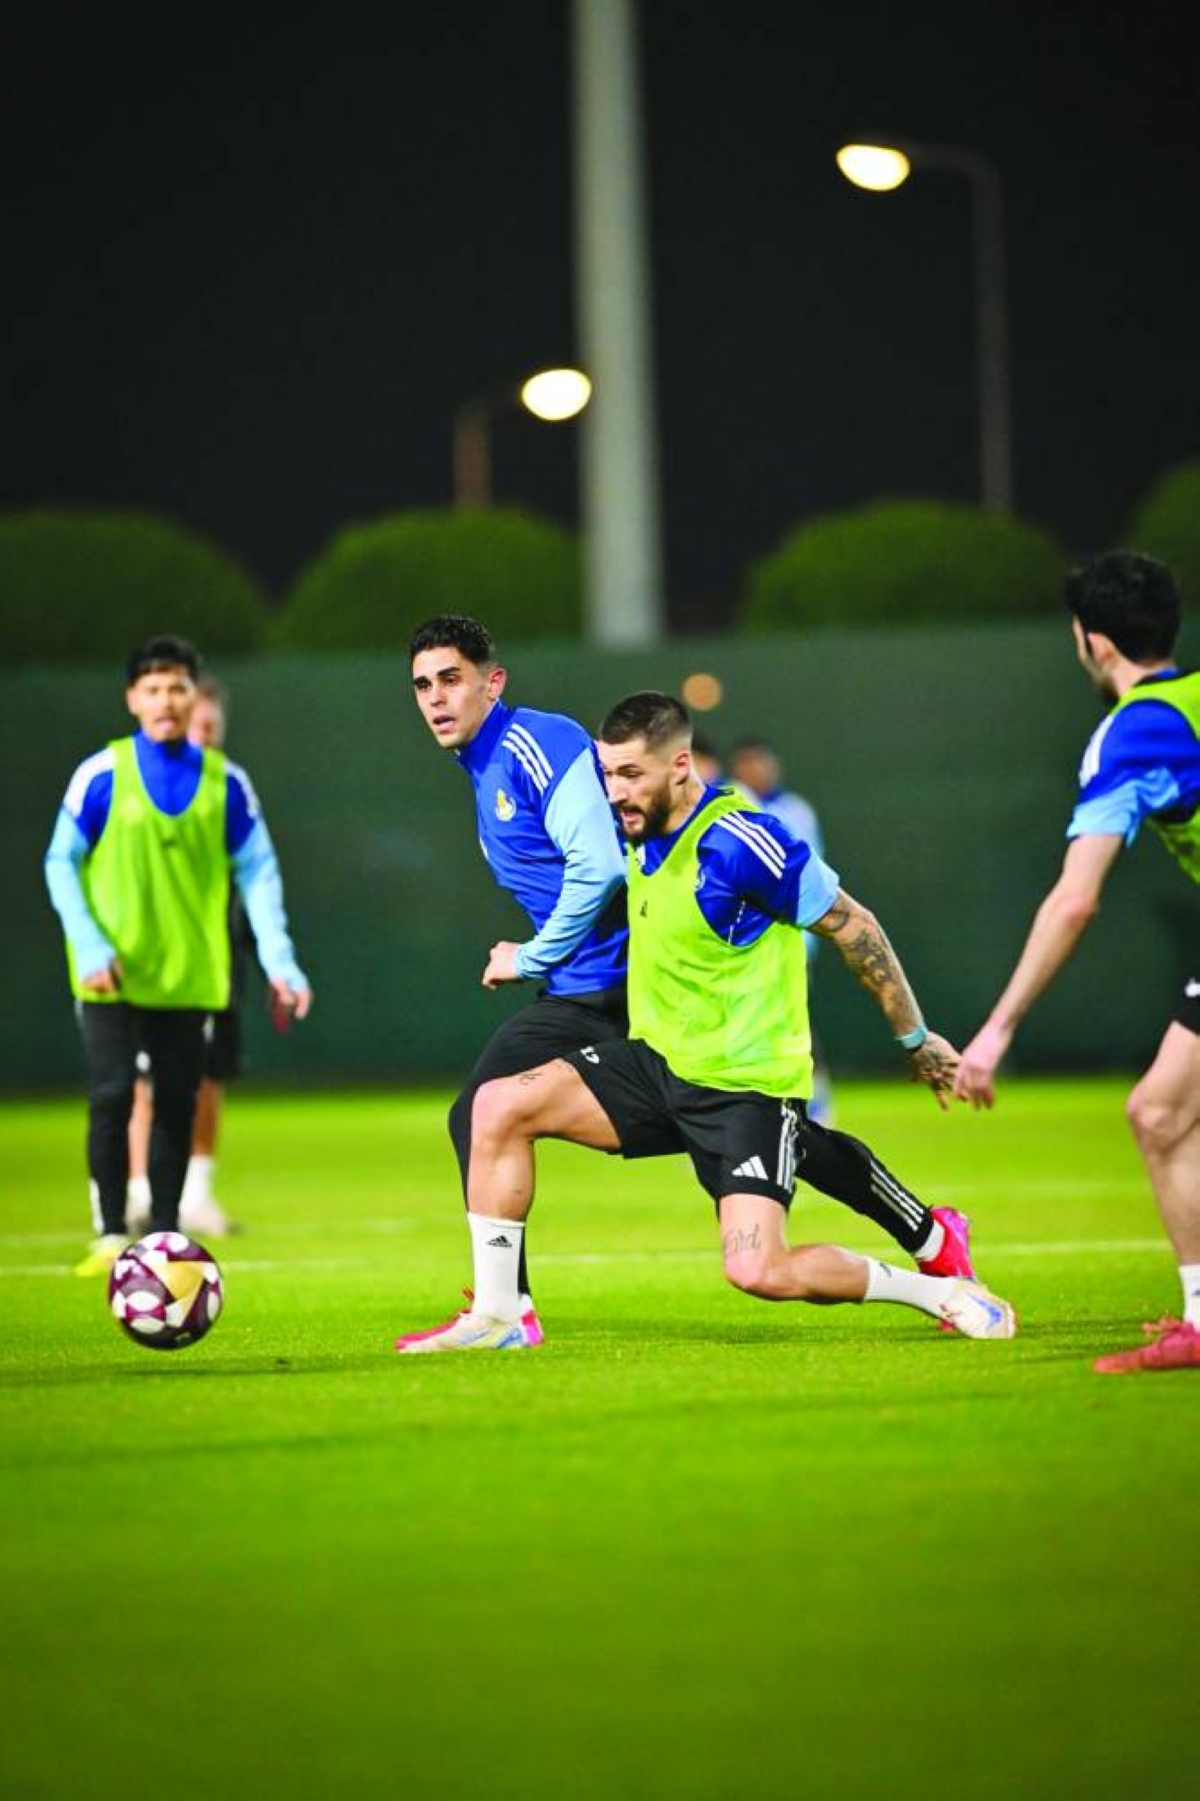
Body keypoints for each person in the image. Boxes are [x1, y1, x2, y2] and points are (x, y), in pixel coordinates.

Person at [397, 690, 1014, 1352]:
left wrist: (916, 1040)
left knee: (757, 1268)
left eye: (631, 774)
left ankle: (943, 1290)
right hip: (658, 1066)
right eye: (606, 774)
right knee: (493, 1106)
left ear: (681, 765)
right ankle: (500, 1315)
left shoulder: (741, 840)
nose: (615, 792)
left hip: (743, 1090)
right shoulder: (638, 832)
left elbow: (855, 926)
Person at [955, 550, 1199, 1373]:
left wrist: (995, 1030)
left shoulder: (1133, 731)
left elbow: (1075, 897)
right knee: (1161, 1114)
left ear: (1092, 642)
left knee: (1162, 1115)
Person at [44, 635, 312, 1277]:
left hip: (192, 977)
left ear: (194, 697)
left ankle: (162, 1237)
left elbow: (260, 874)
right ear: (133, 698)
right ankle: (111, 1233)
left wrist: (280, 962)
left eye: (178, 688)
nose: (166, 699)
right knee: (111, 1095)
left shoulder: (226, 784)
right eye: (154, 688)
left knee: (176, 1103)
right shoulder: (102, 774)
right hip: (112, 972)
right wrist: (88, 942)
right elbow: (61, 862)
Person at [125, 675, 252, 1239]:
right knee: (142, 1078)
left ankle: (196, 1193)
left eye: (210, 727)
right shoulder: (137, 789)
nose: (203, 735)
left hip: (217, 962)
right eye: (196, 724)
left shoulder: (226, 793)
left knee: (208, 1074)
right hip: (150, 962)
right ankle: (136, 1192)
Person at [729, 735, 834, 1124]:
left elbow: (810, 877)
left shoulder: (794, 810)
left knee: (796, 1024)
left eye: (759, 761)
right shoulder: (730, 802)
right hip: (741, 946)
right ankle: (739, 1119)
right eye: (746, 762)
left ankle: (818, 1108)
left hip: (792, 940)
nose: (753, 770)